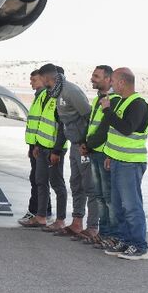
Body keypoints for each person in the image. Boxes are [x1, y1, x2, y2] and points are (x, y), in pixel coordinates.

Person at [100, 67, 148, 260]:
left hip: (130, 164)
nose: (111, 84)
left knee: (131, 206)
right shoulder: (122, 102)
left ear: (122, 82)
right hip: (117, 161)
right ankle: (125, 240)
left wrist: (107, 111)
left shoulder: (138, 104)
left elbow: (126, 129)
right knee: (118, 205)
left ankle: (140, 246)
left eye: (112, 80)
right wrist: (110, 155)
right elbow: (115, 136)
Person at [44, 65, 94, 238]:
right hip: (74, 145)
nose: (44, 86)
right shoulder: (58, 94)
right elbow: (65, 124)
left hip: (83, 147)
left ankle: (92, 227)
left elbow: (89, 117)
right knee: (76, 183)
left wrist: (86, 144)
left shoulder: (70, 91)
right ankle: (77, 223)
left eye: (45, 82)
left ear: (49, 79)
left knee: (89, 185)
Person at [22, 64, 68, 229]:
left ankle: (60, 220)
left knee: (57, 184)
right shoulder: (45, 96)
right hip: (41, 147)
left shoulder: (61, 98)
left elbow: (63, 128)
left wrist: (57, 150)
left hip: (54, 149)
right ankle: (41, 216)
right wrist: (35, 145)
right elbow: (40, 122)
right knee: (40, 181)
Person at [81, 65, 121, 248]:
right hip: (94, 152)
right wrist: (85, 142)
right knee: (99, 196)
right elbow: (93, 125)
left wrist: (87, 146)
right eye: (92, 75)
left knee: (108, 197)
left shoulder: (112, 101)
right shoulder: (100, 99)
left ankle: (112, 235)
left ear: (108, 79)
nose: (92, 79)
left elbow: (104, 130)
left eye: (96, 76)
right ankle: (103, 233)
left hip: (103, 153)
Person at [18, 69, 52, 225]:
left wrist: (36, 146)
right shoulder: (39, 97)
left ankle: (34, 212)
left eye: (34, 80)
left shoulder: (45, 96)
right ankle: (46, 211)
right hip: (36, 145)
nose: (31, 83)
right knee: (39, 180)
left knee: (37, 180)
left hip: (42, 146)